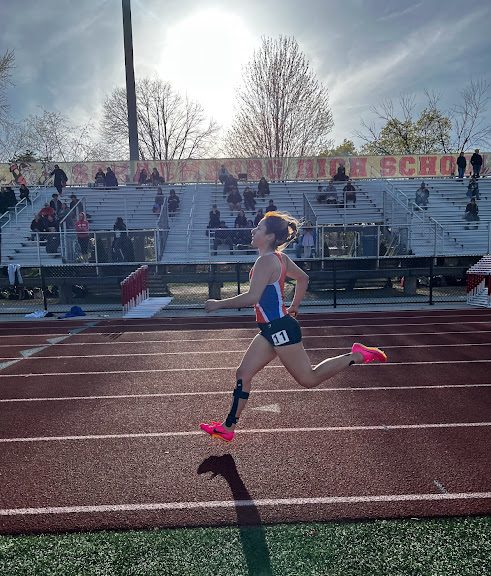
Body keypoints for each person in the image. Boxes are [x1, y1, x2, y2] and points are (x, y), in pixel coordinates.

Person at [200, 211, 388, 442]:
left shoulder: (266, 260)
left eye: (258, 228)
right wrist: (294, 307)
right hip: (271, 329)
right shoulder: (280, 259)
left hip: (279, 329)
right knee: (243, 373)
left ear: (269, 236)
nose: (252, 231)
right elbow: (303, 278)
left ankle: (357, 355)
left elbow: (252, 297)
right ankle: (228, 428)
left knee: (308, 379)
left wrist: (218, 304)